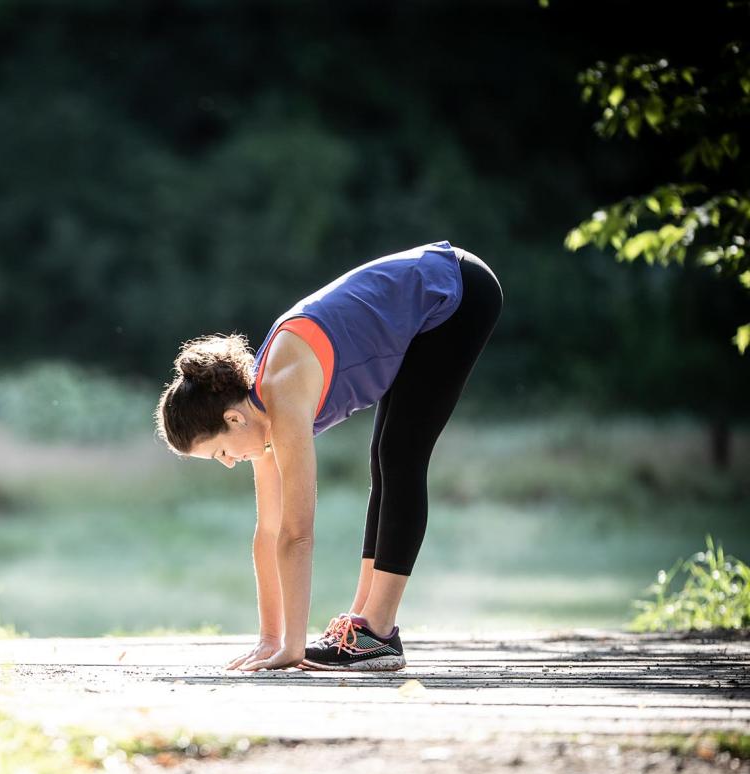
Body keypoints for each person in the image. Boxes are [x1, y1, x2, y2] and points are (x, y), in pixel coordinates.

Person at [154, 241, 503, 671]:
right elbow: (269, 533)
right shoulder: (259, 416)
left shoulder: (281, 393)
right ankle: (364, 627)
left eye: (221, 452)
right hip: (425, 305)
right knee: (385, 457)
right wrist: (271, 639)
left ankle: (377, 630)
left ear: (233, 419)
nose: (229, 462)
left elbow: (297, 535)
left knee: (399, 455)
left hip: (455, 289)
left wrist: (293, 650)